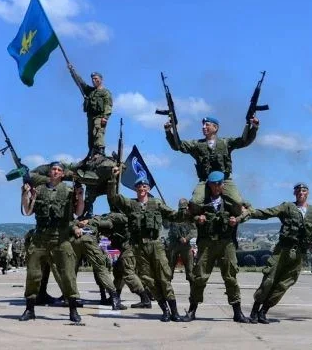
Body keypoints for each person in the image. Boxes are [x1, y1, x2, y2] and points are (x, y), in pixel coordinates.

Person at [247, 182, 312, 324]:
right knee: (269, 279)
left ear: (308, 193)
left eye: (304, 190)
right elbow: (268, 213)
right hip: (282, 250)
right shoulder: (287, 207)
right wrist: (248, 213)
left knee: (284, 283)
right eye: (298, 190)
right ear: (294, 193)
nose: (301, 192)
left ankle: (263, 312)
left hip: (299, 253)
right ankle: (254, 311)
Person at [106, 166, 188, 322]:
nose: (141, 188)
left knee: (164, 278)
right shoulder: (131, 204)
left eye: (144, 186)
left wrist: (184, 209)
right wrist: (113, 179)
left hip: (155, 245)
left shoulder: (156, 203)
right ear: (135, 189)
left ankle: (174, 312)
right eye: (139, 186)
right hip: (139, 247)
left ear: (148, 188)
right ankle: (165, 311)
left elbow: (174, 216)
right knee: (148, 279)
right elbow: (113, 198)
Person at [19, 162, 85, 323]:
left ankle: (73, 309)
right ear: (49, 172)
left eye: (59, 170)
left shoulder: (69, 191)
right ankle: (29, 309)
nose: (55, 171)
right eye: (53, 169)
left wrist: (80, 196)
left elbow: (78, 212)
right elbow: (28, 211)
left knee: (68, 274)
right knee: (33, 274)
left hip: (60, 238)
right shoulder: (39, 189)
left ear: (62, 174)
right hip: (40, 238)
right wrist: (25, 194)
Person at [182, 171, 251, 323]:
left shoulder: (230, 203)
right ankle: (192, 310)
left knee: (230, 277)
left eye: (218, 184)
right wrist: (198, 218)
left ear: (223, 185)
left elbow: (247, 212)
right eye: (213, 184)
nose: (216, 187)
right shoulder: (201, 203)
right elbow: (187, 215)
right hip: (206, 243)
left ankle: (237, 312)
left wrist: (236, 220)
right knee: (200, 276)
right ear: (209, 185)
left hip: (226, 243)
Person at [164, 115, 259, 217]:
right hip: (205, 180)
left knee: (237, 203)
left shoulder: (225, 143)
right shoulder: (197, 144)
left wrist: (254, 127)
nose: (204, 127)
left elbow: (244, 141)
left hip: (224, 180)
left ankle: (235, 214)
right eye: (203, 125)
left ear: (215, 128)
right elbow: (178, 146)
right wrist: (169, 131)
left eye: (207, 125)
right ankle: (201, 217)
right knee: (195, 202)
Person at [68, 64, 112, 160]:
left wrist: (105, 117)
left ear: (101, 79)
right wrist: (72, 71)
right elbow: (81, 83)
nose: (93, 80)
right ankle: (92, 152)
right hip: (90, 117)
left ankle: (100, 151)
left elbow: (108, 105)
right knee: (90, 135)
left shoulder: (105, 92)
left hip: (100, 116)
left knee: (98, 132)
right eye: (92, 79)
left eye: (96, 78)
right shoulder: (90, 91)